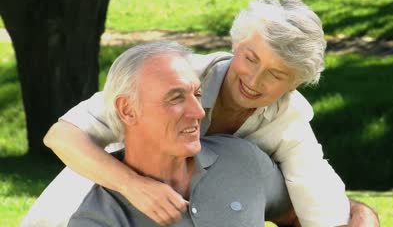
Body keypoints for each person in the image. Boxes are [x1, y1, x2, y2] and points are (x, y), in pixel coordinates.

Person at [24, 0, 379, 226]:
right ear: (236, 44)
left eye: (275, 74)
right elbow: (61, 134)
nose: (253, 80)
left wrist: (362, 218)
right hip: (93, 198)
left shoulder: (290, 120)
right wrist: (133, 186)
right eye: (250, 58)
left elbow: (320, 205)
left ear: (295, 84)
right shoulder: (174, 75)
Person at [68, 41, 293, 226]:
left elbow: (297, 217)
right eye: (176, 98)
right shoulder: (99, 220)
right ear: (127, 110)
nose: (198, 112)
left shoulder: (243, 159)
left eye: (197, 94)